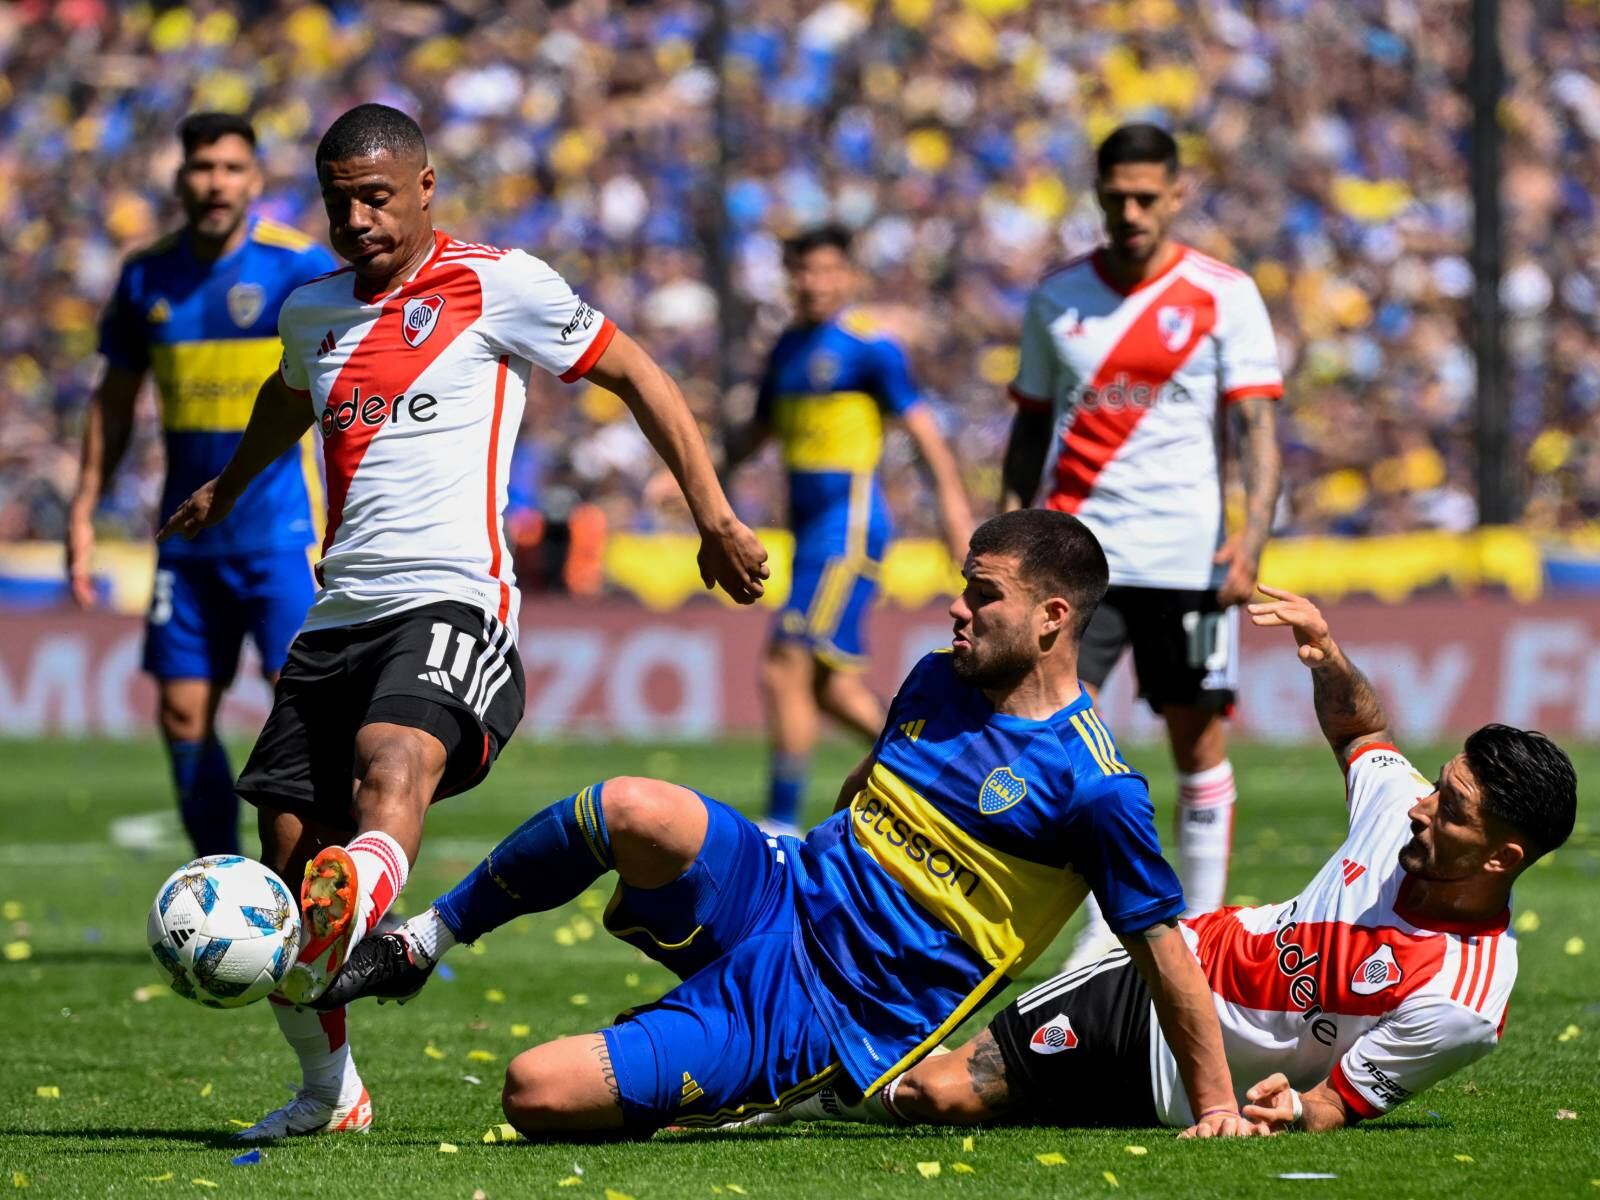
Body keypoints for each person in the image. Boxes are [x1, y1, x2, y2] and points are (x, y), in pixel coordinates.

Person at [159, 103, 770, 1140]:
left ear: (426, 187)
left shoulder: (499, 283)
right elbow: (284, 398)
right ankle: (329, 1094)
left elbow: (639, 375)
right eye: (339, 200)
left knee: (388, 769)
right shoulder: (312, 312)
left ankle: (357, 924)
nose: (356, 219)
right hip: (336, 614)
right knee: (290, 848)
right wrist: (230, 483)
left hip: (454, 599)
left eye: (377, 197)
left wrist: (711, 515)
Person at [319, 510, 1261, 1141]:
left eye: (984, 595)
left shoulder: (1096, 788)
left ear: (1054, 619)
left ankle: (730, 1078)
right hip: (787, 886)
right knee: (631, 804)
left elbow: (1164, 952)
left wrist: (1214, 1105)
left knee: (535, 1089)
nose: (957, 606)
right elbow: (868, 779)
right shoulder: (939, 676)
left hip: (834, 1011)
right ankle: (425, 938)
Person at [753, 586, 1576, 1135]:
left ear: (1503, 856)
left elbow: (1333, 1103)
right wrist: (1327, 655)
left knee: (962, 1093)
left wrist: (1286, 1112)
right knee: (948, 1091)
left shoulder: (1462, 1003)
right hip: (1158, 983)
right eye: (1440, 785)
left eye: (1453, 808)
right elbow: (1361, 733)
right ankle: (780, 1083)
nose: (1424, 805)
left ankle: (796, 1072)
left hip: (1183, 1091)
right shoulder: (1402, 816)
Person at [1001, 123, 1284, 968]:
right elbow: (1028, 430)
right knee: (1058, 736)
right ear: (1097, 192)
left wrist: (1251, 542)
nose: (1129, 212)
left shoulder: (1223, 293)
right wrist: (1006, 546)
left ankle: (1195, 926)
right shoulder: (1057, 298)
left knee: (1198, 740)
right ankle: (1099, 920)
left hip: (1189, 564)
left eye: (1145, 197)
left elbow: (1259, 430)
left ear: (1176, 194)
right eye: (1115, 196)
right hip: (1078, 564)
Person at [67, 113, 338, 857]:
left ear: (254, 181)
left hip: (283, 534)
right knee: (183, 716)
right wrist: (85, 507)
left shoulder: (297, 268)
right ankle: (222, 891)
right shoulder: (145, 276)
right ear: (180, 177)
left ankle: (323, 896)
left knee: (305, 711)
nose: (215, 182)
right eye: (202, 167)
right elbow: (115, 400)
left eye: (230, 168)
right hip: (187, 540)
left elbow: (348, 387)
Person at [721, 224, 974, 836]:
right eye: (803, 271)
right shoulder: (785, 348)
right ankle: (945, 772)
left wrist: (953, 514)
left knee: (785, 662)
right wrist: (697, 475)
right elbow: (758, 432)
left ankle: (779, 822)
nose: (814, 282)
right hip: (809, 533)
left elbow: (926, 434)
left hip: (849, 529)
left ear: (848, 277)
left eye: (826, 271)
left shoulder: (869, 348)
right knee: (833, 689)